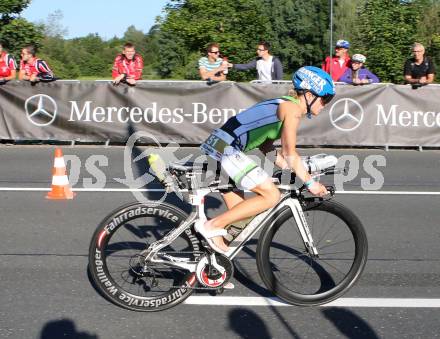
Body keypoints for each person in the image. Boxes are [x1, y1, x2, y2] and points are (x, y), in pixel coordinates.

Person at [198, 66, 335, 253]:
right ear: (310, 95)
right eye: (325, 99)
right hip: (225, 148)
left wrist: (291, 169)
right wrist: (311, 183)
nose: (325, 104)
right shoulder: (292, 109)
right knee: (271, 195)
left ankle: (208, 274)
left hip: (218, 146)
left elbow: (266, 147)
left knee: (241, 221)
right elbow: (290, 153)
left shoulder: (284, 104)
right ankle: (211, 226)